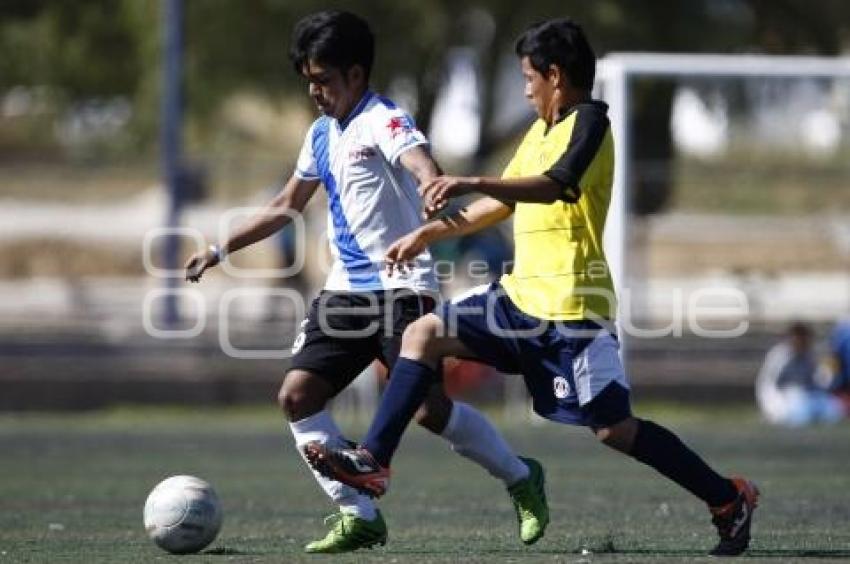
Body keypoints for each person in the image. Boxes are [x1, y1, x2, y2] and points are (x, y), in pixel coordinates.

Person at [305, 18, 760, 557]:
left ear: (556, 75)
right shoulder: (540, 129)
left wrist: (470, 179)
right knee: (423, 334)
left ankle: (728, 498)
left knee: (614, 430)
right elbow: (504, 203)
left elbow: (553, 185)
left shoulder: (591, 122)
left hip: (572, 313)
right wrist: (429, 230)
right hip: (516, 300)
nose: (525, 90)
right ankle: (374, 463)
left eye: (528, 78)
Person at [183, 11, 547, 554]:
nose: (315, 91)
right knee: (296, 394)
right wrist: (219, 249)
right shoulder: (321, 135)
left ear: (355, 75)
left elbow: (421, 163)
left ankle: (521, 476)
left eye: (324, 80)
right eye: (308, 81)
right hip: (344, 294)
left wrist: (431, 184)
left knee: (428, 410)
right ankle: (359, 514)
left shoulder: (385, 119)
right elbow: (286, 206)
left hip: (405, 289)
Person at [756, 321, 845, 426]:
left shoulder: (809, 356)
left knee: (834, 411)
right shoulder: (779, 356)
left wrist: (828, 372)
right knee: (801, 416)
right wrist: (773, 408)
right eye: (799, 337)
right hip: (789, 398)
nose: (802, 341)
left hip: (809, 397)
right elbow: (767, 385)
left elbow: (820, 383)